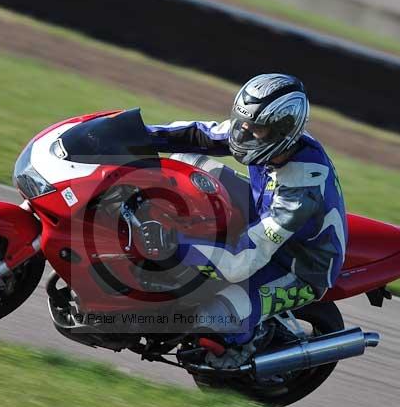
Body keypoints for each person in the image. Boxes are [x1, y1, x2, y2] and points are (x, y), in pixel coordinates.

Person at [138, 73, 347, 367]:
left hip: (297, 265)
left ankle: (243, 350)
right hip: (261, 210)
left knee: (215, 318)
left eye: (255, 130)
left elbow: (243, 261)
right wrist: (136, 135)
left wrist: (177, 246)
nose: (243, 134)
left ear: (283, 132)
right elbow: (199, 135)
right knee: (185, 162)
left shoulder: (300, 192)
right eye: (242, 123)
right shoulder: (262, 134)